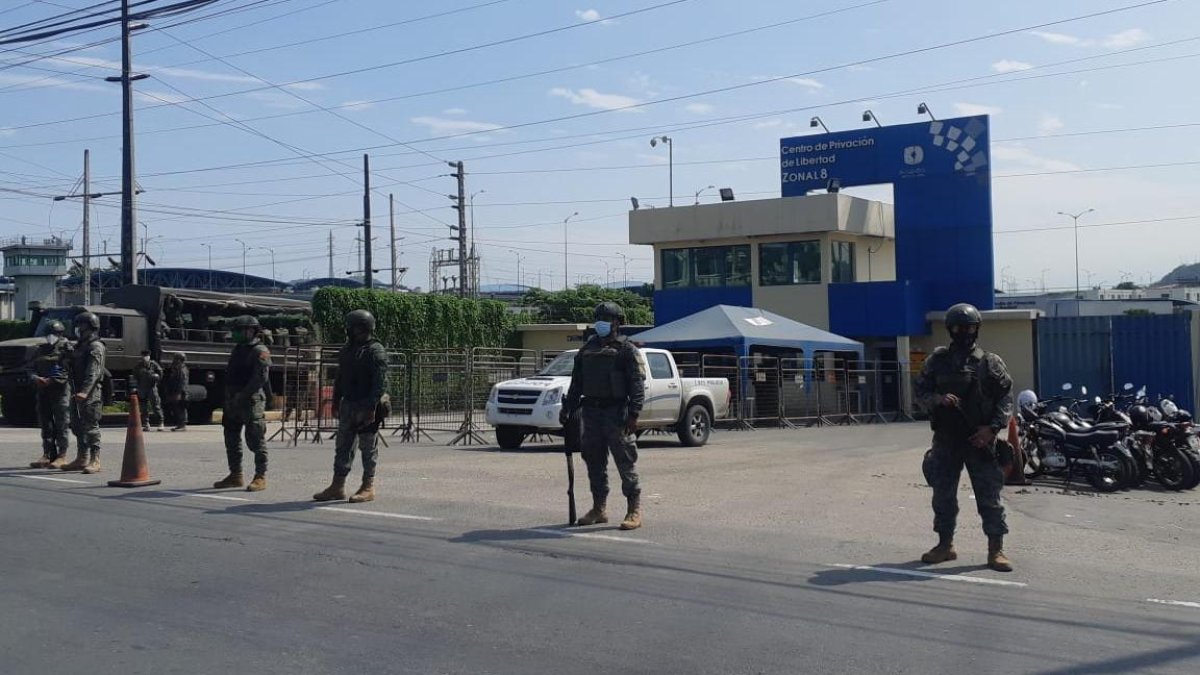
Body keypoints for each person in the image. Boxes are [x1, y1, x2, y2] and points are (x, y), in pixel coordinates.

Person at [915, 303, 1015, 572]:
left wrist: (992, 429)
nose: (964, 333)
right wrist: (937, 399)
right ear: (950, 330)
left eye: (969, 327)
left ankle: (996, 550)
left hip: (979, 440)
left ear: (977, 329)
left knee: (989, 497)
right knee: (943, 495)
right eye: (959, 328)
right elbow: (920, 392)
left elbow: (1005, 397)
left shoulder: (989, 362)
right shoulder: (937, 361)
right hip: (947, 440)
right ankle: (945, 545)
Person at [560, 302, 646, 530]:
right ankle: (599, 508)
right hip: (591, 412)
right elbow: (577, 383)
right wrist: (567, 407)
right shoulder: (587, 349)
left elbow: (637, 384)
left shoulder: (626, 349)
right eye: (598, 318)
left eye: (606, 318)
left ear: (617, 322)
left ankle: (633, 510)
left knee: (625, 462)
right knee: (594, 462)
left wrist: (634, 413)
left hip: (616, 412)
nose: (601, 322)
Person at [313, 310, 389, 504]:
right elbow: (340, 377)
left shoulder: (375, 350)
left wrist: (372, 407)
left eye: (352, 326)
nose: (349, 330)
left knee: (367, 447)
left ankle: (367, 486)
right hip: (349, 403)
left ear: (362, 328)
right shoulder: (347, 350)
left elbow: (379, 383)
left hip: (367, 405)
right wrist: (336, 400)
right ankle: (337, 486)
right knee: (343, 446)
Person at [213, 316, 271, 492]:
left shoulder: (260, 350)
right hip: (233, 398)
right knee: (231, 436)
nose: (235, 333)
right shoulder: (238, 349)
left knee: (255, 437)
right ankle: (235, 475)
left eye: (239, 330)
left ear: (251, 330)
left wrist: (243, 396)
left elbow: (261, 377)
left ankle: (260, 476)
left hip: (251, 399)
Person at [61, 312, 106, 474]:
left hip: (90, 392)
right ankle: (82, 457)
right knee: (77, 425)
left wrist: (85, 392)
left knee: (90, 426)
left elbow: (93, 373)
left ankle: (95, 459)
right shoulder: (80, 346)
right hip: (76, 390)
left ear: (90, 327)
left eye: (81, 326)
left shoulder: (96, 347)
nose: (78, 329)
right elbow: (70, 366)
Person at [29, 320, 72, 469]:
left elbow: (67, 369)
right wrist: (36, 379)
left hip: (60, 390)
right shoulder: (40, 349)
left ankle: (62, 455)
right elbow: (30, 368)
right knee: (45, 424)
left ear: (60, 334)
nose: (50, 337)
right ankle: (47, 454)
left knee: (62, 423)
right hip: (43, 391)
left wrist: (52, 380)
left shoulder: (67, 348)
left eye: (54, 334)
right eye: (48, 334)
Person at [132, 350, 165, 431]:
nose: (145, 357)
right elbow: (135, 375)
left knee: (156, 406)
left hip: (152, 388)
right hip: (142, 388)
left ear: (149, 356)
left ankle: (161, 422)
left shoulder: (153, 364)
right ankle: (146, 424)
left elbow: (160, 372)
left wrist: (157, 378)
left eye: (146, 355)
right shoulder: (139, 365)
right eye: (143, 355)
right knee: (143, 407)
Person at [164, 352, 189, 432]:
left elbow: (182, 382)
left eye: (175, 359)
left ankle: (182, 425)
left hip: (180, 391)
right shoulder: (177, 368)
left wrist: (180, 393)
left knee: (180, 407)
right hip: (176, 391)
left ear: (180, 360)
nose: (174, 360)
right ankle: (179, 424)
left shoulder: (182, 369)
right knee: (176, 407)